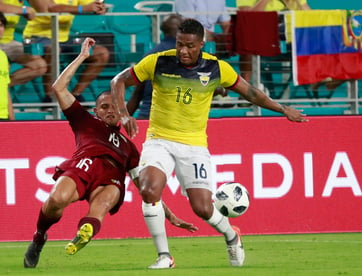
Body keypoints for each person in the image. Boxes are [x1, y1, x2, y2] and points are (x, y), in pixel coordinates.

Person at [110, 18, 308, 269]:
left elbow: (250, 93)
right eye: (180, 44)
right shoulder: (158, 61)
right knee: (149, 190)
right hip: (159, 139)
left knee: (203, 208)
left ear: (202, 44)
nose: (183, 50)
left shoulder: (217, 68)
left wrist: (282, 109)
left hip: (193, 145)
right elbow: (117, 81)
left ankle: (232, 236)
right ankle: (164, 256)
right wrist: (125, 114)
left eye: (190, 46)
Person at [23, 37, 198, 269]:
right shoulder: (84, 121)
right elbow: (58, 87)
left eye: (114, 105)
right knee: (56, 200)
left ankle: (85, 231)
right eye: (104, 107)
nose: (110, 110)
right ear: (96, 111)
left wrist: (169, 214)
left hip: (111, 177)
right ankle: (39, 236)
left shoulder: (129, 147)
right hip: (84, 164)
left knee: (104, 202)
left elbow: (144, 188)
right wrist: (82, 57)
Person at [23, 0, 110, 102]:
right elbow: (51, 8)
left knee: (101, 53)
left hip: (64, 39)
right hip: (38, 37)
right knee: (54, 49)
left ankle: (75, 96)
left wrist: (99, 8)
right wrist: (82, 9)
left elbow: (90, 5)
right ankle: (50, 98)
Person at [127, 14, 184, 119]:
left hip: (146, 117)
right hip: (173, 121)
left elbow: (137, 94)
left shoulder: (150, 55)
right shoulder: (187, 55)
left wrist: (120, 123)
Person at [0, 0, 47, 87]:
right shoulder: (22, 8)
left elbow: (44, 9)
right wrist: (24, 10)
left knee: (39, 66)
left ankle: (3, 86)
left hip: (10, 42)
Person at [0, 11, 14, 120]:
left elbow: (5, 89)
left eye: (1, 25)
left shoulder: (3, 56)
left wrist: (12, 119)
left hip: (3, 116)